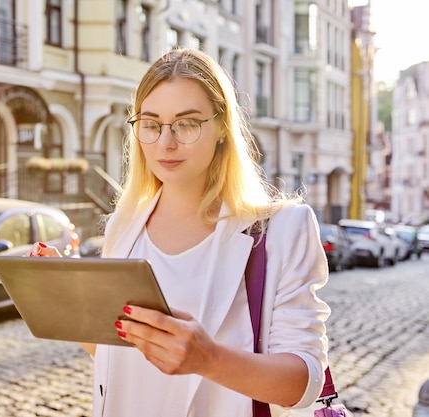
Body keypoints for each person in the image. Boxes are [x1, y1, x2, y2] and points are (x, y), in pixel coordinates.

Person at [30, 47, 330, 417]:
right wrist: (67, 305)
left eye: (186, 123)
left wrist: (209, 359)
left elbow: (304, 384)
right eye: (152, 124)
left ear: (221, 127)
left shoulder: (281, 229)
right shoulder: (124, 226)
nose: (165, 143)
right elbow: (123, 355)